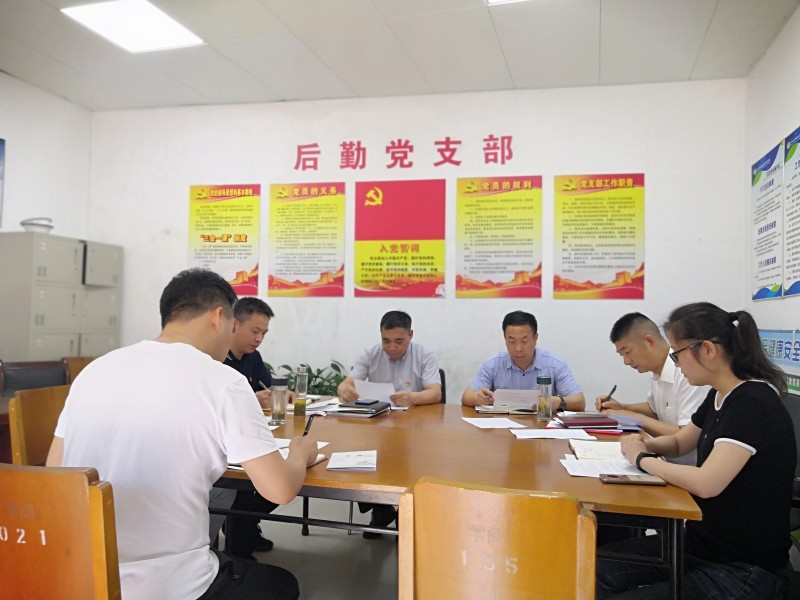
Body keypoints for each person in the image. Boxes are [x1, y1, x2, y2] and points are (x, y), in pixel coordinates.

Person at [46, 268, 319, 600]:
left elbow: (53, 473)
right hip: (171, 585)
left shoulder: (95, 370)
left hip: (81, 575)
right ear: (218, 317)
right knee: (282, 584)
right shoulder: (224, 381)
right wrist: (300, 452)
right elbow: (280, 490)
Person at [597, 303, 795, 600]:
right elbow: (681, 442)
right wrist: (640, 444)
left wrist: (642, 458)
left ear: (707, 350)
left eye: (677, 354)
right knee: (598, 567)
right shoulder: (719, 394)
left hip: (745, 569)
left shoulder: (751, 402)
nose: (676, 364)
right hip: (703, 546)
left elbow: (707, 482)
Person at [337, 310, 441, 538]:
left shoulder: (424, 355)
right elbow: (349, 381)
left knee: (411, 466)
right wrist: (344, 387)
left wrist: (413, 397)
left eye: (398, 341)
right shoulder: (371, 353)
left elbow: (435, 392)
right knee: (364, 457)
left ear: (410, 335)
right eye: (386, 341)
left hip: (415, 429)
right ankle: (381, 511)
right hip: (379, 426)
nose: (392, 347)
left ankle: (406, 518)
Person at [210, 297, 283, 559]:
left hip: (253, 436)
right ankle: (239, 537)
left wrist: (278, 395)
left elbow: (267, 389)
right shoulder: (216, 360)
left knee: (274, 478)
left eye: (264, 333)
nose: (259, 339)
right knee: (271, 481)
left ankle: (244, 528)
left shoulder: (254, 358)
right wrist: (253, 398)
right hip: (225, 447)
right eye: (254, 331)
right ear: (234, 325)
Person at [595, 312, 709, 465]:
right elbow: (656, 409)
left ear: (649, 341)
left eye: (627, 352)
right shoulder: (657, 371)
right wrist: (622, 407)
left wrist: (631, 417)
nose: (626, 361)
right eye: (622, 355)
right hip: (665, 460)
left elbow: (685, 436)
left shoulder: (687, 373)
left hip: (688, 468)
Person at [462, 310, 585, 411]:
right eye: (512, 341)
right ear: (505, 340)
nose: (518, 348)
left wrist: (558, 402)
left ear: (535, 338)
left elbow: (579, 402)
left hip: (541, 426)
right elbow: (467, 396)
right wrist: (478, 398)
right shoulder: (493, 364)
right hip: (502, 429)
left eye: (524, 341)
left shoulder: (555, 365)